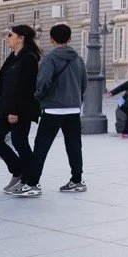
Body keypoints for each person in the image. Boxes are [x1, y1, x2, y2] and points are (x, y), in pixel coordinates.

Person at [30, 24, 88, 194]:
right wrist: (75, 99)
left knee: (42, 145)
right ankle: (77, 180)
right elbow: (84, 84)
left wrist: (39, 98)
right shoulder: (78, 59)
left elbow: (42, 82)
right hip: (73, 109)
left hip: (53, 109)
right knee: (74, 146)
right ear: (70, 39)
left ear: (51, 39)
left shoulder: (50, 58)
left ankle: (33, 183)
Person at [0, 25, 43, 196]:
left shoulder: (29, 58)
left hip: (20, 109)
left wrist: (14, 111)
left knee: (20, 142)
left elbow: (25, 87)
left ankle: (32, 180)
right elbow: (5, 83)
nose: (7, 37)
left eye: (10, 35)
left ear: (21, 38)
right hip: (6, 107)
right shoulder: (14, 56)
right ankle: (19, 171)